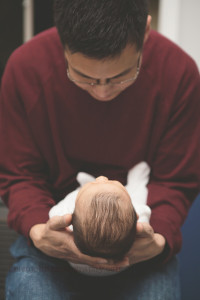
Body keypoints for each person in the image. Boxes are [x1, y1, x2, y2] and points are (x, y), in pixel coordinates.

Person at [0, 0, 199, 299]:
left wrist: (156, 238)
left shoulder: (180, 73)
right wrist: (40, 229)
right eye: (84, 77)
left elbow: (176, 180)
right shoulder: (25, 68)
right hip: (50, 233)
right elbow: (19, 175)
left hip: (142, 244)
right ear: (61, 40)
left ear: (145, 31)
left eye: (121, 76)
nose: (102, 92)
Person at [49, 162, 151, 276]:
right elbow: (145, 211)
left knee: (80, 198)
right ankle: (136, 182)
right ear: (136, 217)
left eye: (110, 182)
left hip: (76, 266)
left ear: (71, 222)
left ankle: (87, 187)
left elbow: (53, 213)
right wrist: (142, 215)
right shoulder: (138, 215)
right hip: (125, 266)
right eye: (112, 183)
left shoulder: (66, 215)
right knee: (137, 192)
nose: (102, 177)